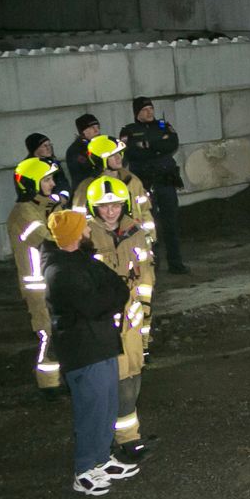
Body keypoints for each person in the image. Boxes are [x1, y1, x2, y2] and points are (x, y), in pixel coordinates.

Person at [42, 208, 138, 496]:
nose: (88, 231)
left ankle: (102, 459)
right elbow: (97, 303)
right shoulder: (61, 271)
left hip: (101, 343)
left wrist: (109, 297)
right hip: (83, 351)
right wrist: (110, 297)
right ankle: (84, 470)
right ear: (74, 235)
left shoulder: (81, 261)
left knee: (106, 406)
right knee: (91, 411)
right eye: (84, 228)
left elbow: (118, 288)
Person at [84, 176, 154, 463]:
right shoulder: (86, 235)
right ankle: (128, 440)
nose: (110, 211)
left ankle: (124, 435)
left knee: (134, 374)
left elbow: (146, 274)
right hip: (105, 320)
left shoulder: (135, 232)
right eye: (104, 206)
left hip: (132, 318)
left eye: (115, 205)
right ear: (94, 207)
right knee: (121, 380)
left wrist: (145, 315)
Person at [7, 158, 67, 393]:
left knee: (60, 331)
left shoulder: (48, 205)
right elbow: (47, 241)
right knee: (47, 332)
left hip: (54, 279)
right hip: (39, 286)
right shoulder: (23, 213)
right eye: (47, 180)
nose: (52, 184)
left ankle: (62, 378)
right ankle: (49, 385)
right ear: (32, 184)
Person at [120, 96, 187, 274]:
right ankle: (153, 265)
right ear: (137, 113)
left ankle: (176, 263)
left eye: (151, 109)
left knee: (171, 222)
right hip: (145, 184)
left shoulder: (163, 125)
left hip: (166, 181)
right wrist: (157, 146)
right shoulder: (129, 130)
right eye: (145, 110)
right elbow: (131, 152)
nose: (149, 112)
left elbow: (172, 143)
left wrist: (148, 145)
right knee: (149, 225)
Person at [76, 135, 155, 238]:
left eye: (119, 153)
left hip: (134, 239)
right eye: (112, 155)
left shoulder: (132, 181)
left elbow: (145, 211)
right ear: (100, 160)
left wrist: (150, 237)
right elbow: (78, 220)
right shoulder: (86, 188)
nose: (119, 158)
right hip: (103, 242)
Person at [24, 132, 73, 202]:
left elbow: (63, 182)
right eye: (44, 146)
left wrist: (64, 196)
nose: (49, 148)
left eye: (50, 145)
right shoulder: (26, 168)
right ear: (35, 149)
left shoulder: (53, 162)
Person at [65, 114, 102, 193]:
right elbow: (85, 172)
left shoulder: (102, 145)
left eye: (98, 127)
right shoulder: (75, 150)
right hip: (84, 191)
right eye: (92, 128)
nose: (97, 131)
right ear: (83, 131)